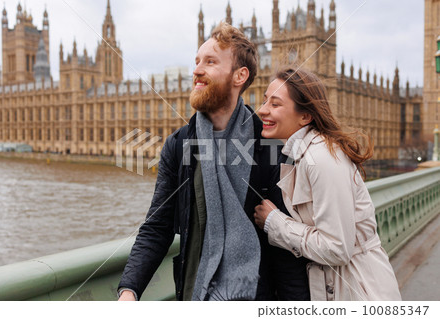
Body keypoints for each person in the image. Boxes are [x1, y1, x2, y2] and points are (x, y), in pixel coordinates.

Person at [118, 23, 310, 301]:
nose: (196, 70)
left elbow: (286, 250)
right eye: (196, 61)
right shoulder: (178, 145)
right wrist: (129, 290)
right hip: (197, 293)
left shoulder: (270, 144)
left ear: (239, 76)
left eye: (210, 62)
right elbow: (157, 227)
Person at [254, 66, 402, 301]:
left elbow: (336, 248)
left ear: (305, 116)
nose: (262, 110)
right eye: (264, 101)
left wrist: (275, 223)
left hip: (358, 290)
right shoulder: (301, 153)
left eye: (275, 104)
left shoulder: (322, 157)